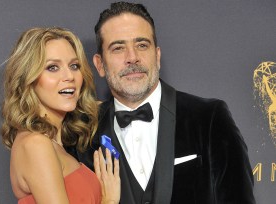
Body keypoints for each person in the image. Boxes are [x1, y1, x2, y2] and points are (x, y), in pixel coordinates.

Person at [67, 2, 256, 204]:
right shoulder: (82, 131)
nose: (132, 58)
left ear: (157, 56)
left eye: (142, 45)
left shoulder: (209, 118)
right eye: (118, 48)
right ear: (100, 64)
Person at [1, 27, 120, 204]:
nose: (69, 76)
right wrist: (108, 200)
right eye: (52, 67)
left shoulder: (52, 143)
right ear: (29, 79)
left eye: (74, 66)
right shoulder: (35, 144)